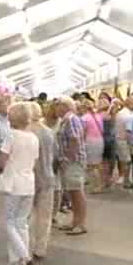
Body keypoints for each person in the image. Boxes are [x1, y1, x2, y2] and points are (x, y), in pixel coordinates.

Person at [0, 102, 39, 265]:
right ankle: (16, 261)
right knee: (22, 223)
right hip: (29, 183)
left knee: (9, 222)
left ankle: (24, 256)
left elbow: (1, 160)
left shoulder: (11, 136)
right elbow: (34, 162)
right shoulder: (34, 137)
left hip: (13, 184)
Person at [28, 102, 56, 261]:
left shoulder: (25, 133)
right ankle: (40, 248)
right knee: (44, 215)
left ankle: (28, 246)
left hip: (30, 177)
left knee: (27, 215)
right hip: (47, 176)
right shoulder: (48, 132)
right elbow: (55, 154)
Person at [56, 97, 88, 236]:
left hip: (73, 162)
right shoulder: (67, 119)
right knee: (72, 192)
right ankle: (75, 221)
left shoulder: (70, 119)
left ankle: (80, 224)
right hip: (71, 161)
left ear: (65, 106)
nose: (56, 109)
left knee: (77, 192)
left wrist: (68, 158)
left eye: (57, 106)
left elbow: (74, 139)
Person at [81, 99, 105, 194]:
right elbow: (102, 130)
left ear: (84, 108)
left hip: (90, 141)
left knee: (91, 165)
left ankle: (96, 186)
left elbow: (83, 132)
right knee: (98, 163)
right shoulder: (98, 116)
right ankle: (100, 183)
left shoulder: (84, 118)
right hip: (100, 140)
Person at [115, 96, 133, 188]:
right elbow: (129, 132)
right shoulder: (128, 116)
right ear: (130, 104)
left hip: (119, 139)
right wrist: (132, 146)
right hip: (124, 141)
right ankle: (127, 181)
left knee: (124, 161)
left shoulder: (120, 113)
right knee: (127, 161)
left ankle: (126, 179)